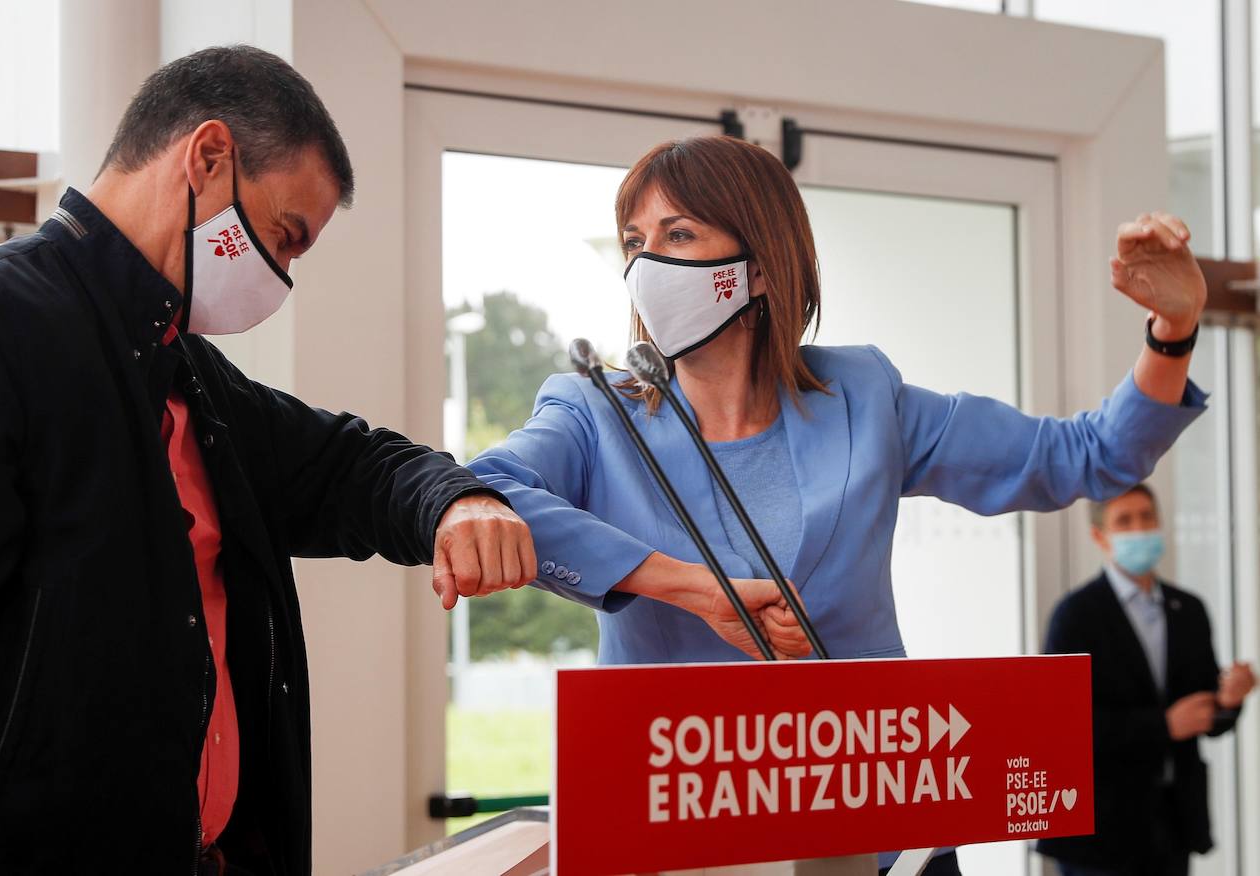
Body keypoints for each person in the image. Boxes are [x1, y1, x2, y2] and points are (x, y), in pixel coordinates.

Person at [466, 135, 1209, 875]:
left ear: (760, 266)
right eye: (635, 242)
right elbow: (488, 494)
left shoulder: (864, 396)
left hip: (879, 830)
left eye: (679, 234)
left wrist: (1172, 333)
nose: (645, 264)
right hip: (678, 838)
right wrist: (687, 586)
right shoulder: (594, 412)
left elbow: (1086, 455)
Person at [0, 46, 534, 874]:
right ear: (209, 157)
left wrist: (456, 500)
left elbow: (351, 466)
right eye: (284, 236)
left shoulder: (189, 375)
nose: (282, 277)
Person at [1037, 484, 1255, 876]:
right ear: (1100, 536)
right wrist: (1163, 725)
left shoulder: (1189, 610)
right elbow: (1061, 728)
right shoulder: (1075, 617)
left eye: (1147, 517)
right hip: (1099, 832)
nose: (1139, 529)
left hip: (1172, 824)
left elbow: (1207, 716)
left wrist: (1230, 699)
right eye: (1125, 521)